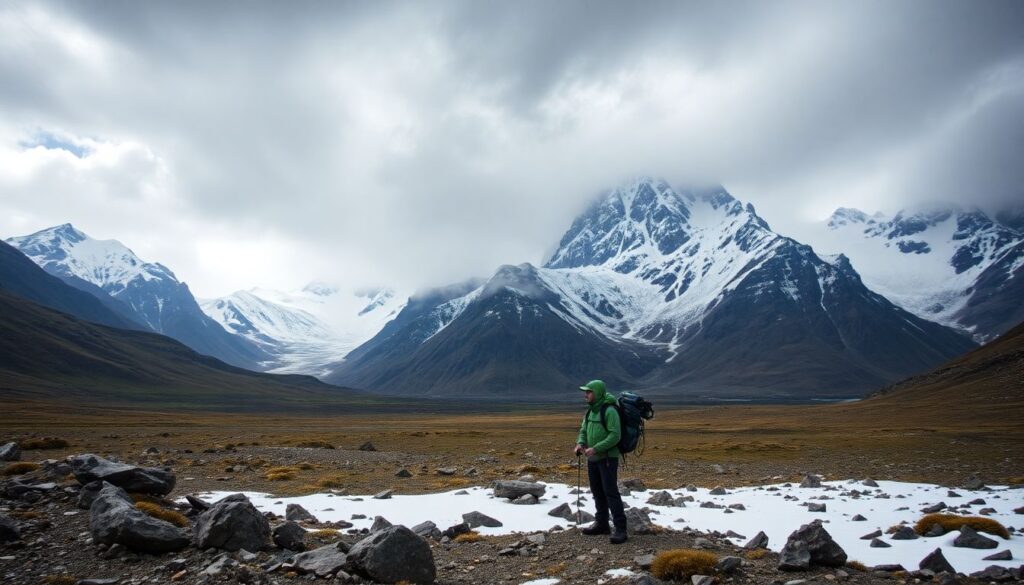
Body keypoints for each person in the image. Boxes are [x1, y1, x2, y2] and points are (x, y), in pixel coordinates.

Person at [573, 379, 627, 544]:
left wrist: (596, 448)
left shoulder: (610, 411)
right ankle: (602, 524)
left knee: (610, 493)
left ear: (597, 393)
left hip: (607, 459)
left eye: (589, 392)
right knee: (597, 492)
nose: (586, 395)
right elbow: (583, 430)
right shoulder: (590, 412)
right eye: (586, 392)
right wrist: (580, 443)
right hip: (593, 458)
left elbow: (615, 435)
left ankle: (620, 529)